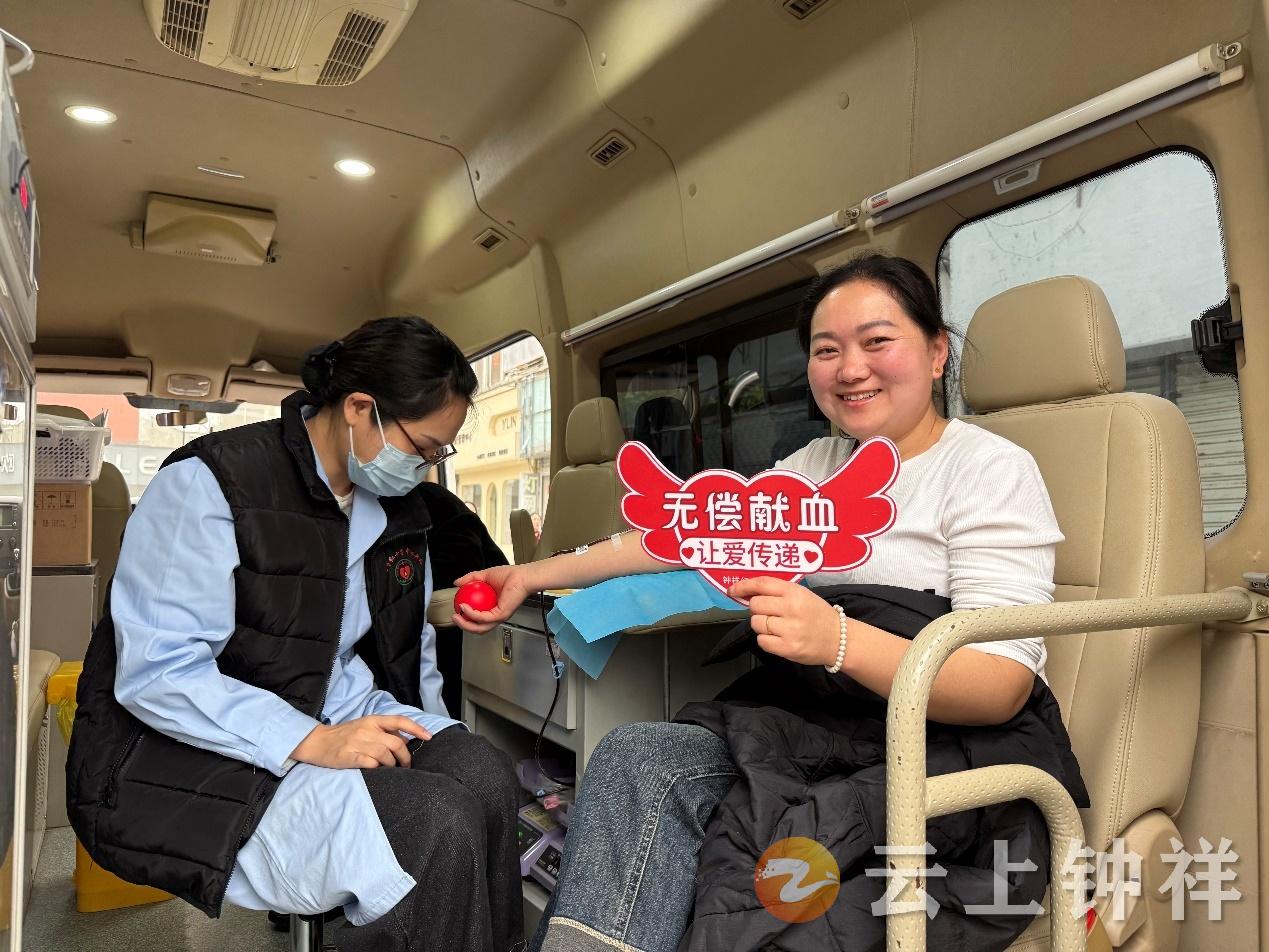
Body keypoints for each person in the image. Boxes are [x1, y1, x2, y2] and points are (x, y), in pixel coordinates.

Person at [453, 253, 1066, 952]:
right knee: (636, 756)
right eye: (826, 350)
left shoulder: (988, 469)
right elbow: (679, 538)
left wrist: (836, 639)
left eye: (876, 341)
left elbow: (997, 685)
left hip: (935, 750)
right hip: (806, 727)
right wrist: (529, 576)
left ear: (934, 352)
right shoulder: (813, 466)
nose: (850, 368)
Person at [67, 317, 522, 952]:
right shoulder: (209, 483)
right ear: (359, 408)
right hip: (181, 746)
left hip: (326, 711)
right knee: (434, 822)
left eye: (437, 457)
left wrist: (421, 733)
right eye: (421, 449)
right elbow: (159, 675)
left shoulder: (390, 511)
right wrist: (312, 740)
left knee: (486, 773)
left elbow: (370, 652)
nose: (425, 469)